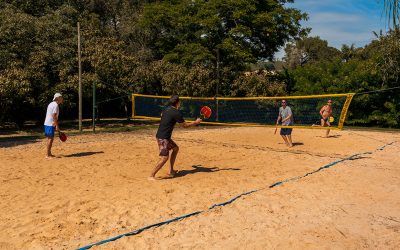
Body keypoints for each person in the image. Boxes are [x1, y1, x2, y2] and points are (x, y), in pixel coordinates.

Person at [149, 95, 201, 180]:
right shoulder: (176, 113)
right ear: (177, 103)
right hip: (163, 137)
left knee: (176, 148)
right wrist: (195, 122)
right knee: (164, 158)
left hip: (164, 136)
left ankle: (172, 171)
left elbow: (161, 114)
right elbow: (185, 126)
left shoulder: (166, 109)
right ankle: (151, 175)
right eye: (179, 102)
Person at [44, 93, 63, 158]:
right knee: (50, 139)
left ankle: (49, 153)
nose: (62, 98)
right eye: (61, 97)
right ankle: (47, 155)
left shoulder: (51, 104)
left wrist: (55, 124)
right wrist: (57, 126)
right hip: (50, 124)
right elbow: (54, 116)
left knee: (50, 138)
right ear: (57, 98)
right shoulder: (55, 105)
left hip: (48, 123)